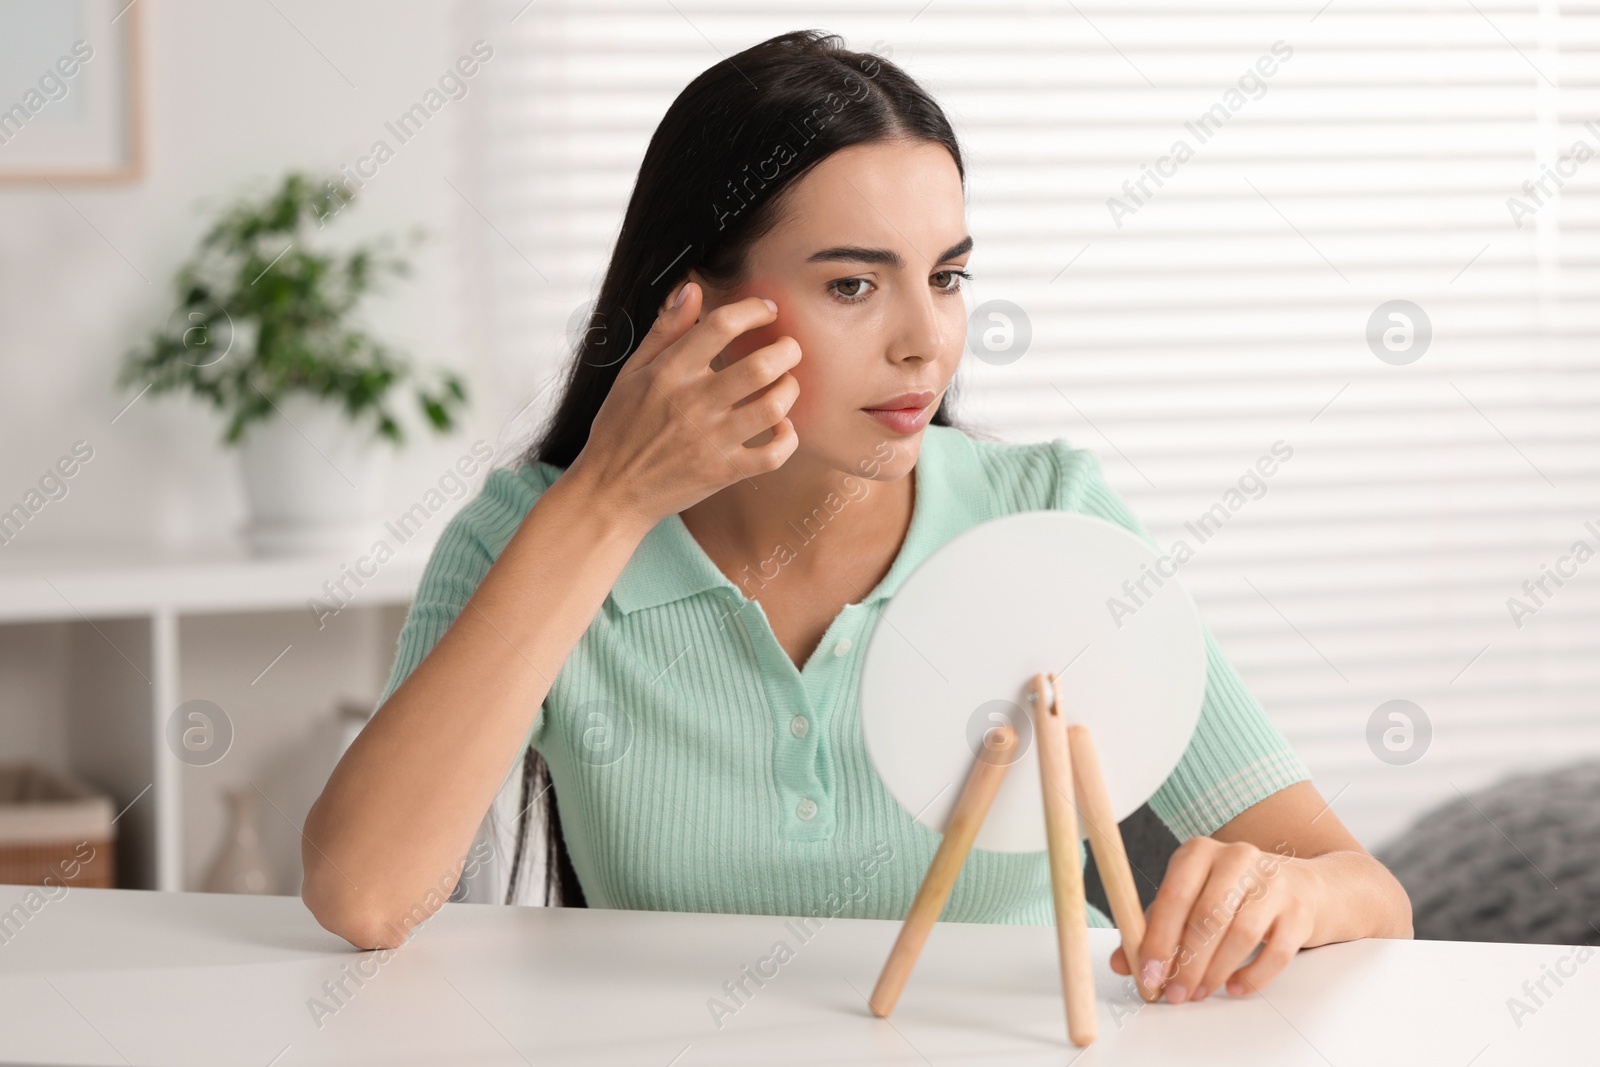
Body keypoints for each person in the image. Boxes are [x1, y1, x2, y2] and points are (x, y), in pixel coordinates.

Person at [302, 29, 1412, 1006]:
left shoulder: (1047, 514)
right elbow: (364, 893)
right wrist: (608, 496)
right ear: (693, 300)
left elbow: (1365, 892)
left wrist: (1283, 893)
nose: (925, 340)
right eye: (852, 284)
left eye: (949, 275)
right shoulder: (534, 534)